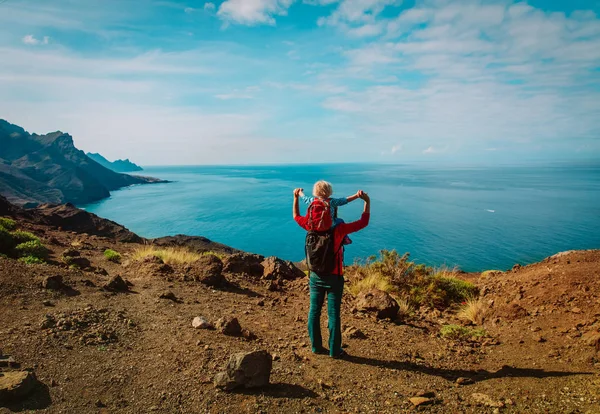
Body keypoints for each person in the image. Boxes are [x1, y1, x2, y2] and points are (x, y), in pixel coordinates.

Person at [293, 187, 371, 358]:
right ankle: (335, 351)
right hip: (334, 277)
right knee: (333, 313)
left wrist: (295, 197)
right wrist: (366, 202)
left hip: (315, 276)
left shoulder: (309, 226)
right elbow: (362, 223)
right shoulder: (339, 229)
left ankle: (316, 347)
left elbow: (296, 216)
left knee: (314, 311)